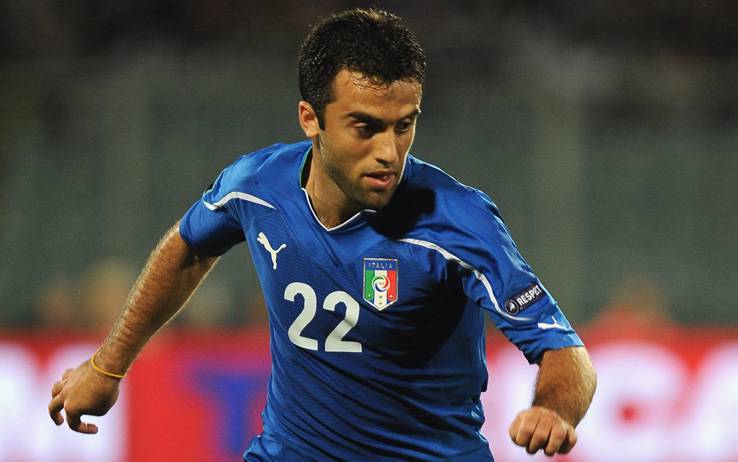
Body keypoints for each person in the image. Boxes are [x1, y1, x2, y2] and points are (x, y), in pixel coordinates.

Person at [49, 8, 596, 461]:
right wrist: (107, 366)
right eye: (365, 127)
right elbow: (189, 247)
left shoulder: (456, 222)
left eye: (404, 125)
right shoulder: (257, 186)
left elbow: (564, 351)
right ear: (311, 118)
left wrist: (552, 410)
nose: (389, 152)